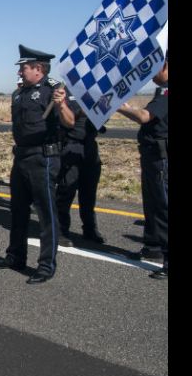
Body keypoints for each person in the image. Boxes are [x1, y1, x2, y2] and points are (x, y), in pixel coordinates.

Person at [0, 45, 75, 284]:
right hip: (21, 158)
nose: (20, 72)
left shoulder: (54, 91)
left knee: (46, 213)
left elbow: (69, 123)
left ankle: (46, 265)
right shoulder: (18, 94)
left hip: (43, 159)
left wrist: (61, 105)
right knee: (17, 210)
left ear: (38, 69)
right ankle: (15, 256)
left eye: (24, 68)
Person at [117, 51, 168, 280]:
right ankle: (153, 247)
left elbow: (145, 117)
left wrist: (119, 107)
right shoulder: (161, 91)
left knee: (163, 207)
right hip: (151, 156)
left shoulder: (167, 92)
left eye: (156, 66)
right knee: (152, 204)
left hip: (161, 158)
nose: (151, 74)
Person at [55, 97, 106, 246]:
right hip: (71, 145)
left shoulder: (94, 94)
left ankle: (90, 229)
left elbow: (101, 124)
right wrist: (81, 112)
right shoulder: (67, 95)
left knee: (89, 193)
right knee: (65, 192)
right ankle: (60, 230)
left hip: (90, 146)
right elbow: (65, 121)